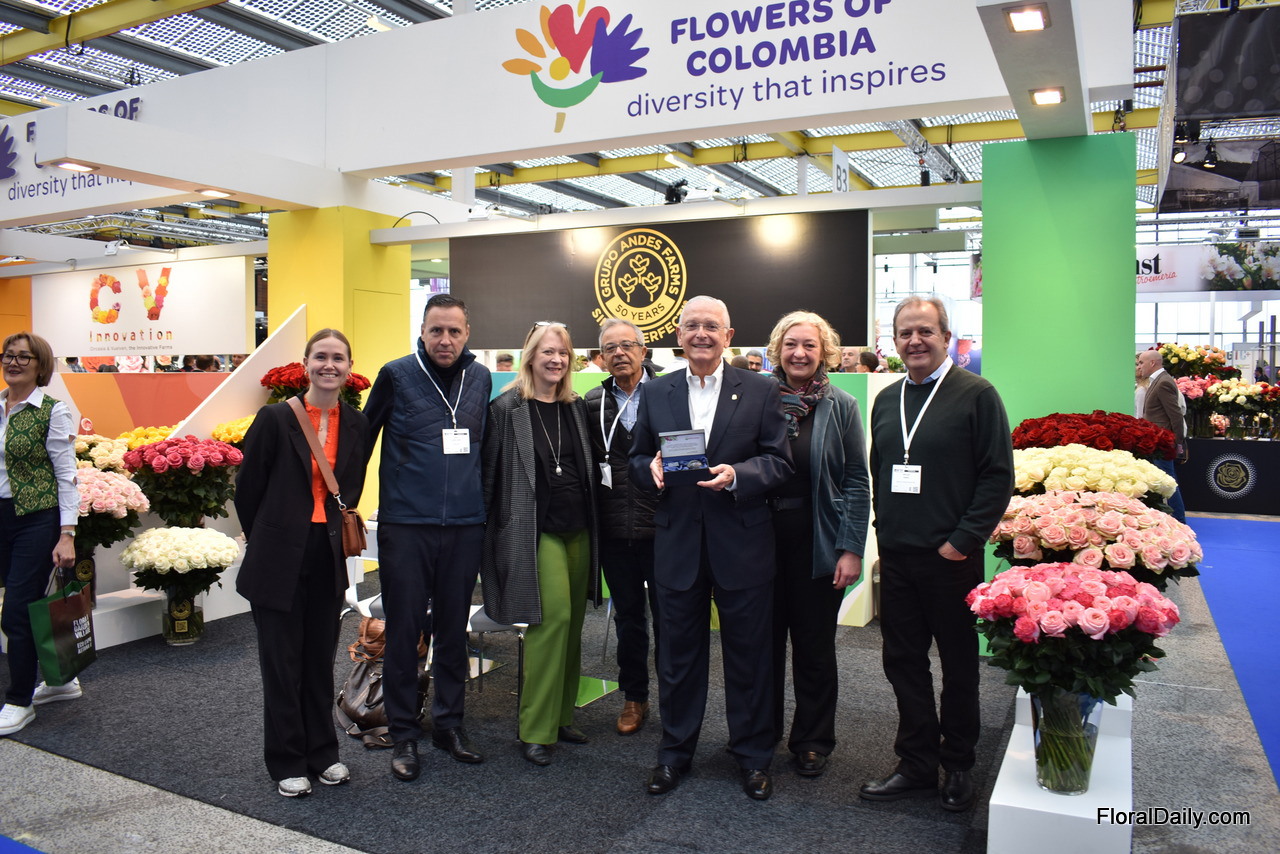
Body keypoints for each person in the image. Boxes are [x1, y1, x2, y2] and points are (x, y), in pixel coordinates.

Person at [629, 295, 793, 801]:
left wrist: (738, 474)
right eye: (692, 325)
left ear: (728, 335)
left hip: (742, 543)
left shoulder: (761, 389)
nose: (701, 333)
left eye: (711, 326)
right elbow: (634, 458)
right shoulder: (656, 391)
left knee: (750, 656)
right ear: (678, 335)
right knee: (677, 657)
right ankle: (674, 754)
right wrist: (649, 470)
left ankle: (753, 756)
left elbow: (779, 462)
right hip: (678, 544)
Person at [861, 295, 1013, 813]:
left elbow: (997, 477)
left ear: (947, 337)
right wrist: (884, 529)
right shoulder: (887, 399)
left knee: (958, 664)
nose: (915, 341)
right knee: (903, 663)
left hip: (951, 560)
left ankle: (959, 764)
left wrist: (961, 541)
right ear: (894, 341)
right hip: (898, 558)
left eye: (925, 331)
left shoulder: (977, 394)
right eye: (905, 333)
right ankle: (917, 764)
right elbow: (881, 470)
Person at [235, 329, 371, 797]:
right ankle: (287, 760)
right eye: (321, 357)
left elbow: (351, 486)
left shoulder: (357, 424)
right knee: (281, 662)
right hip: (278, 555)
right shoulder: (275, 418)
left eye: (338, 358)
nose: (329, 365)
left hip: (327, 552)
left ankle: (324, 754)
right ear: (307, 364)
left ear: (349, 367)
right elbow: (247, 488)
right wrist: (268, 537)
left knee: (318, 659)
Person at [364, 294, 492, 781]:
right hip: (407, 525)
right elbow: (364, 440)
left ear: (467, 333)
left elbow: (484, 450)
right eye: (436, 330)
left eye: (454, 331)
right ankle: (402, 733)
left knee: (455, 631)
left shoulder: (480, 378)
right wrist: (344, 505)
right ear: (422, 331)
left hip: (463, 525)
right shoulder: (396, 375)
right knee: (403, 632)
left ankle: (449, 725)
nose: (445, 339)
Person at [481, 321, 599, 766]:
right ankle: (535, 727)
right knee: (553, 619)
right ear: (530, 356)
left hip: (579, 527)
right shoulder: (506, 408)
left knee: (573, 625)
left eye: (563, 353)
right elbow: (489, 477)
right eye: (548, 351)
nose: (556, 360)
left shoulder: (575, 406)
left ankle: (562, 715)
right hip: (534, 529)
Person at [764, 311, 870, 778]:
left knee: (814, 648)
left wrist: (852, 548)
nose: (799, 353)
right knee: (761, 647)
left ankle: (812, 740)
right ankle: (759, 733)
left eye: (809, 344)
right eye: (791, 344)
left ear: (824, 351)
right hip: (759, 541)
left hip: (819, 542)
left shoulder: (841, 404)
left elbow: (856, 480)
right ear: (777, 349)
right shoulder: (755, 399)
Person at [0, 332, 79, 737]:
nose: (13, 363)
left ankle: (19, 700)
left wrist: (67, 533)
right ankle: (61, 679)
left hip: (35, 518)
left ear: (40, 365)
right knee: (25, 607)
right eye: (8, 355)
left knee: (16, 609)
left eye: (23, 357)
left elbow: (67, 476)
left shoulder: (52, 411)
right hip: (1, 515)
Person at [584, 319, 659, 736]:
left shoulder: (669, 393)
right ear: (601, 357)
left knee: (672, 620)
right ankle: (634, 696)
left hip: (664, 528)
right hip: (615, 530)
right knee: (629, 620)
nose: (619, 353)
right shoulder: (592, 402)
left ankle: (677, 700)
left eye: (627, 345)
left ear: (643, 351)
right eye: (610, 348)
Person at [1136, 349, 1187, 523]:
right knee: (1164, 481)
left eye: (1141, 363)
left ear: (1152, 363)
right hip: (1157, 440)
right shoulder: (1158, 381)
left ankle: (1179, 520)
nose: (1139, 367)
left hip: (1163, 442)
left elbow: (1175, 415)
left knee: (1169, 482)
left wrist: (1177, 442)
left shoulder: (1163, 382)